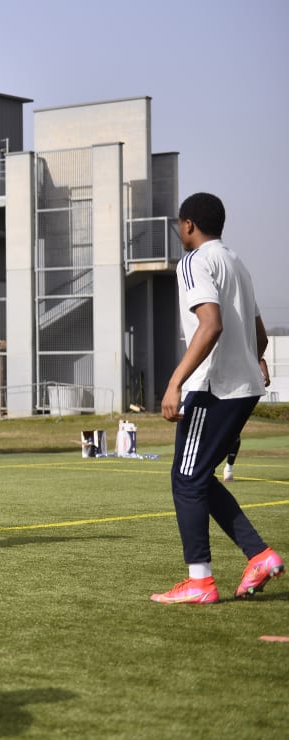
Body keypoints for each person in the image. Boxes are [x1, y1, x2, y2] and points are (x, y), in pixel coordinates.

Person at [152, 193, 281, 604]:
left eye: (179, 224)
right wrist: (257, 359)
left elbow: (211, 324)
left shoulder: (193, 262)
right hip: (243, 388)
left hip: (213, 387)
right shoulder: (236, 263)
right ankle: (259, 555)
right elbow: (258, 334)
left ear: (188, 225)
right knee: (200, 477)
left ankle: (200, 581)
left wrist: (175, 382)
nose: (178, 231)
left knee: (186, 479)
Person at [223, 360, 270, 482]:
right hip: (228, 388)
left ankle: (227, 467)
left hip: (235, 389)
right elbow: (260, 353)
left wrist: (266, 375)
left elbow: (260, 355)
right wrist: (266, 376)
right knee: (230, 431)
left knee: (232, 431)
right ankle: (225, 467)